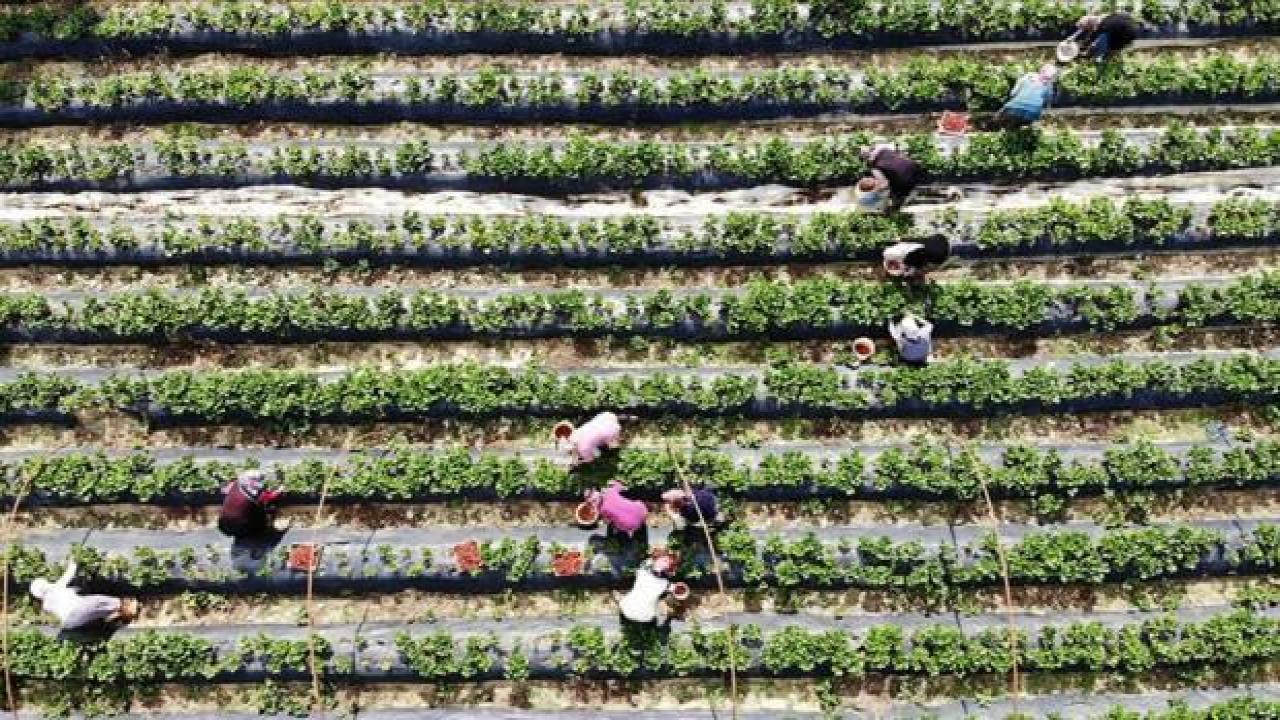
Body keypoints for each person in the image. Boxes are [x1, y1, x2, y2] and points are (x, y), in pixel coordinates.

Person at [30, 559, 137, 630]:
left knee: (96, 612)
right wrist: (74, 561)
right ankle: (127, 607)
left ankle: (117, 617)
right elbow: (70, 573)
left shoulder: (46, 605)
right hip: (78, 608)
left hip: (70, 623)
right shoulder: (55, 587)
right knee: (98, 600)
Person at [218, 469, 285, 539]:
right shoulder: (255, 494)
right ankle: (257, 532)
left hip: (223, 525)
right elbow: (270, 497)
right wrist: (280, 489)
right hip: (241, 528)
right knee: (267, 508)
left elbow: (223, 490)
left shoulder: (234, 484)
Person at [859, 145, 926, 211]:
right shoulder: (885, 150)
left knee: (888, 192)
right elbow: (902, 156)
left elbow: (884, 184)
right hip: (916, 171)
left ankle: (889, 211)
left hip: (905, 182)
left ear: (866, 160)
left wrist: (874, 193)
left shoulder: (876, 168)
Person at [993, 63, 1058, 129]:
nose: (1045, 81)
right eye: (1047, 78)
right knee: (1019, 125)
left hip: (1014, 109)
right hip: (1032, 114)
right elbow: (1048, 101)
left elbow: (1013, 93)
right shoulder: (1049, 85)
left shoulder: (1027, 77)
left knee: (998, 119)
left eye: (1048, 79)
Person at [616, 554, 674, 625]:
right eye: (665, 560)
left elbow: (648, 563)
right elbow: (672, 587)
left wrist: (656, 559)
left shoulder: (643, 572)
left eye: (666, 561)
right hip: (642, 614)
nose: (666, 561)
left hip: (631, 610)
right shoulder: (663, 583)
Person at [882, 236, 951, 279]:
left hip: (939, 251)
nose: (893, 266)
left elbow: (919, 260)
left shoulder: (906, 259)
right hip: (938, 244)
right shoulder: (900, 255)